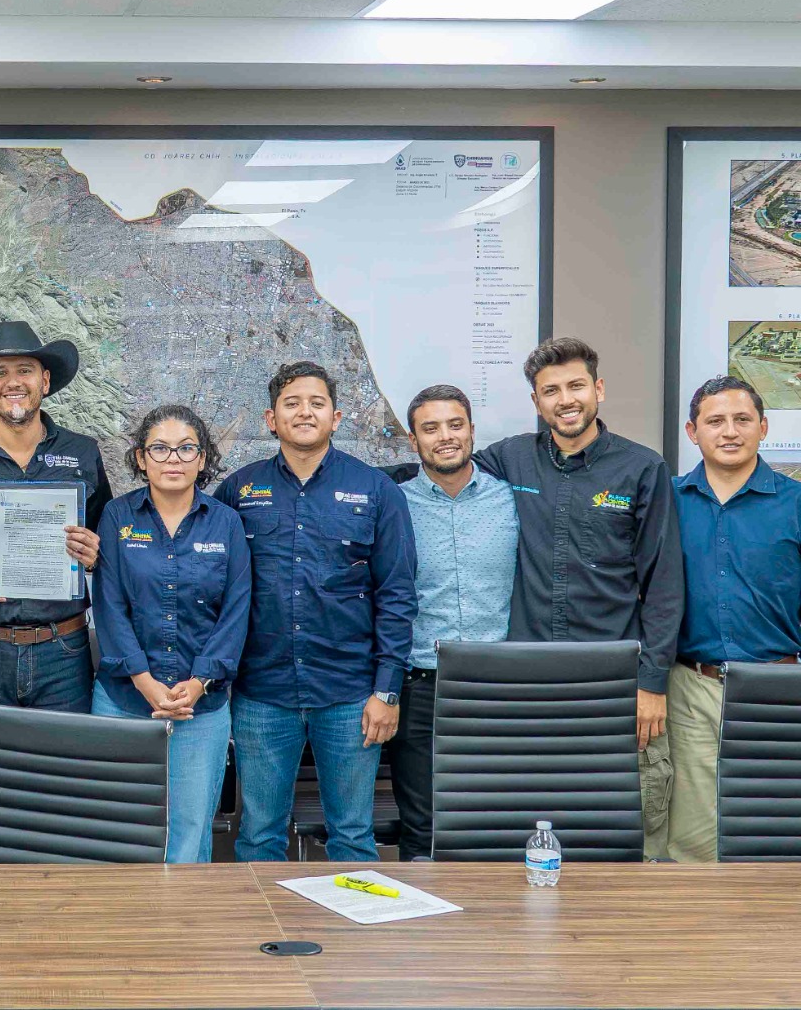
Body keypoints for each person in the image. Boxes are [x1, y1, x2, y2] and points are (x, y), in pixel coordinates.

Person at [472, 337, 684, 856]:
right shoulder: (509, 459)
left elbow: (663, 583)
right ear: (536, 401)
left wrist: (651, 683)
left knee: (612, 822)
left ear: (598, 390)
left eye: (575, 386)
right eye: (551, 391)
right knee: (528, 812)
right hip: (526, 680)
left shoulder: (641, 468)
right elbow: (438, 471)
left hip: (611, 681)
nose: (565, 400)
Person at [215, 360, 418, 863]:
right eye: (291, 403)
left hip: (351, 695)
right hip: (261, 694)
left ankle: (355, 940)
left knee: (351, 835)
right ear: (271, 418)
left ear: (336, 416)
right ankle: (263, 938)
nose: (304, 412)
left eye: (316, 403)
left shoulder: (377, 492)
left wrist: (387, 690)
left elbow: (397, 595)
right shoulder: (237, 492)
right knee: (259, 835)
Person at [0, 321, 112, 769]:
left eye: (26, 370)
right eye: (1, 371)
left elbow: (111, 548)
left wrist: (96, 555)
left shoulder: (82, 453)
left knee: (65, 789)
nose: (14, 382)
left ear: (44, 381)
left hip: (64, 654)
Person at [91, 404, 248, 863]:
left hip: (200, 707)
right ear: (141, 458)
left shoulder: (227, 523)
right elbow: (110, 606)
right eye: (160, 448)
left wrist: (199, 683)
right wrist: (144, 680)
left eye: (186, 448)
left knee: (189, 833)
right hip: (124, 701)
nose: (172, 459)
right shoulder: (118, 516)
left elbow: (236, 613)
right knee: (119, 832)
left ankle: (184, 932)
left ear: (203, 459)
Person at [665, 376, 801, 862]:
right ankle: (698, 936)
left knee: (779, 835)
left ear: (763, 427)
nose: (730, 431)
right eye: (715, 421)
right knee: (693, 838)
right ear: (691, 431)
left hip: (782, 689)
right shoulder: (666, 501)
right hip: (691, 688)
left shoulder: (795, 502)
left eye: (742, 419)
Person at [393, 384, 518, 861]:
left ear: (471, 430)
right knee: (421, 828)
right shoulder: (393, 503)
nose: (444, 437)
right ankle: (421, 934)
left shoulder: (510, 499)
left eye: (454, 425)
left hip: (499, 685)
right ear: (413, 440)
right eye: (430, 428)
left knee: (495, 821)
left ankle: (494, 929)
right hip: (420, 684)